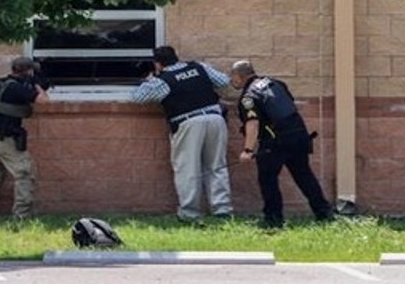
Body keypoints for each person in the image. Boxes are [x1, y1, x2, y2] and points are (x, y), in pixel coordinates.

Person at [131, 46, 232, 223]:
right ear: (176, 58)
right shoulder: (198, 67)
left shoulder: (162, 80)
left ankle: (190, 213)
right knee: (217, 165)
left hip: (188, 122)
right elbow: (223, 81)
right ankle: (222, 210)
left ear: (157, 64)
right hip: (215, 118)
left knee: (188, 169)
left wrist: (148, 79)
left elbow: (138, 97)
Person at [230, 60, 334, 229]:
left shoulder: (248, 97)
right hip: (299, 135)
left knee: (268, 179)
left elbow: (253, 123)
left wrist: (247, 150)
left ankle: (273, 220)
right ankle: (324, 213)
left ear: (239, 76)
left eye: (232, 77)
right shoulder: (276, 83)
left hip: (275, 142)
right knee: (304, 176)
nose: (232, 81)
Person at [0, 57, 49, 220]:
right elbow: (43, 100)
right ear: (28, 71)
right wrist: (38, 85)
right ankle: (21, 217)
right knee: (24, 173)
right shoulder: (16, 88)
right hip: (4, 138)